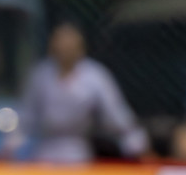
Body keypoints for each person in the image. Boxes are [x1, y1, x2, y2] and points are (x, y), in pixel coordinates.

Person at [9, 22, 148, 163]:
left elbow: (116, 116)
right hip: (45, 153)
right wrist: (11, 146)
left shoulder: (95, 76)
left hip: (78, 153)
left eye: (70, 46)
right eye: (60, 45)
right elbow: (26, 117)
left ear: (80, 48)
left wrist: (135, 142)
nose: (64, 50)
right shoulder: (41, 75)